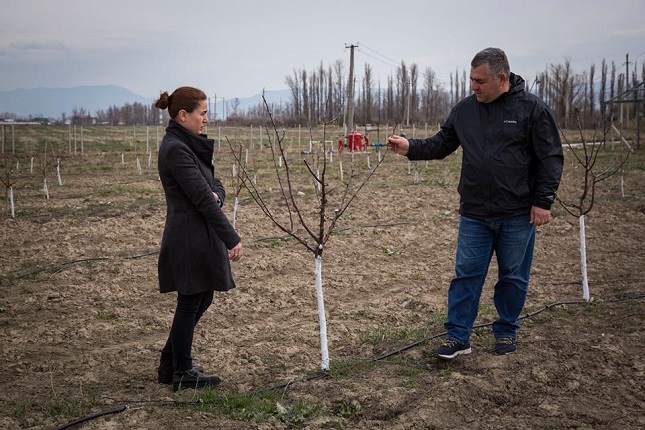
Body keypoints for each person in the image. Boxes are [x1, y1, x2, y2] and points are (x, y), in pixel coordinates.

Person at [387, 47, 563, 359]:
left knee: (513, 277)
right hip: (475, 213)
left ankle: (506, 331)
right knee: (466, 275)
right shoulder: (466, 110)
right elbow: (442, 144)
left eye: (479, 81)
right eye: (471, 80)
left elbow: (550, 158)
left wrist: (543, 201)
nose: (473, 87)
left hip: (517, 213)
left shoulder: (532, 109)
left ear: (502, 79)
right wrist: (410, 147)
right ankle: (458, 337)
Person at [154, 86, 243, 390]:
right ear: (183, 115)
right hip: (188, 238)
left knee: (202, 297)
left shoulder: (188, 145)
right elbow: (203, 199)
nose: (206, 119)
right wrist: (231, 238)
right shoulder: (176, 150)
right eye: (202, 113)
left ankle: (169, 364)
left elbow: (214, 186)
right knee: (190, 300)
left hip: (198, 235)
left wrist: (216, 194)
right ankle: (182, 370)